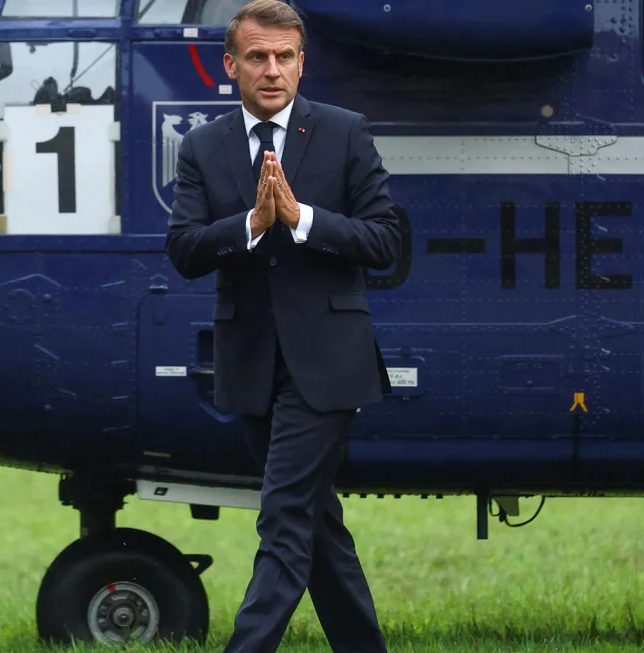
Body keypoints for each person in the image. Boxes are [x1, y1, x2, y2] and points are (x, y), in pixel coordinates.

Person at [163, 1, 402, 651]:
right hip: (250, 365)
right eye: (257, 57)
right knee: (317, 526)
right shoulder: (203, 146)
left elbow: (385, 241)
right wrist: (251, 223)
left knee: (284, 518)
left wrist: (300, 217)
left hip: (328, 364)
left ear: (302, 63)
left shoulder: (344, 132)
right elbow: (183, 249)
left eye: (284, 57)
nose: (271, 70)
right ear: (230, 65)